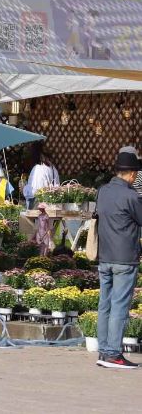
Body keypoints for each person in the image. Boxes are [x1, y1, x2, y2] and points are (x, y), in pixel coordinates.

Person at [94, 150, 142, 369]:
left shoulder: (102, 192)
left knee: (105, 304)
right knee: (119, 307)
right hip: (125, 257)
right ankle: (113, 354)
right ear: (131, 174)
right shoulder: (131, 196)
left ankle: (104, 351)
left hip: (105, 256)